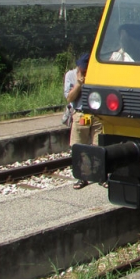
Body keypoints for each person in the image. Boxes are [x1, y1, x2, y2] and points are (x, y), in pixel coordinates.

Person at [64, 53, 103, 189]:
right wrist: (79, 84)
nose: (84, 72)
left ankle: (101, 176)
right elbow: (69, 98)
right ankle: (81, 177)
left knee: (99, 146)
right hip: (80, 114)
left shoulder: (96, 73)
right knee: (79, 146)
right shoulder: (70, 75)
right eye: (83, 69)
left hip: (96, 115)